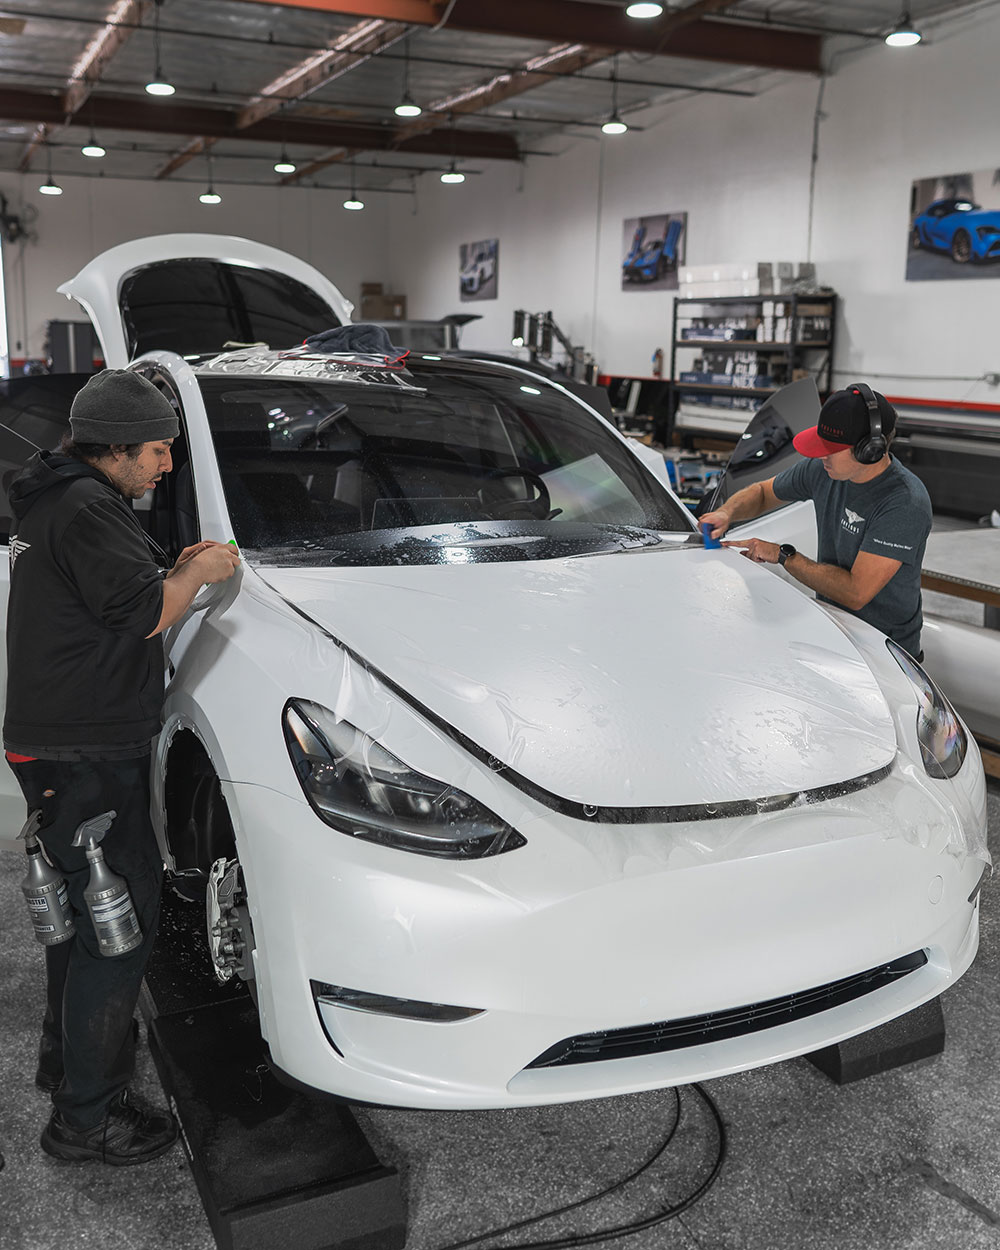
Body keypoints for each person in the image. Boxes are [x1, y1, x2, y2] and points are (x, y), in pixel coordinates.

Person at [4, 369, 240, 1165]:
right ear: (116, 449)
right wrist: (202, 573)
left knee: (79, 911)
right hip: (85, 748)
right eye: (159, 450)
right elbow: (143, 611)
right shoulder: (84, 507)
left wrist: (175, 567)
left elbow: (117, 592)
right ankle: (86, 1122)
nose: (167, 465)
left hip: (59, 743)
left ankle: (62, 1064)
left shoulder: (62, 500)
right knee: (119, 930)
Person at [700, 383, 932, 659]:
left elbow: (855, 592)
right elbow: (763, 493)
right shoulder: (823, 470)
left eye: (831, 449)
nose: (820, 455)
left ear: (869, 450)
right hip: (835, 632)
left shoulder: (904, 502)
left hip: (885, 652)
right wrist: (727, 512)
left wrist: (782, 554)